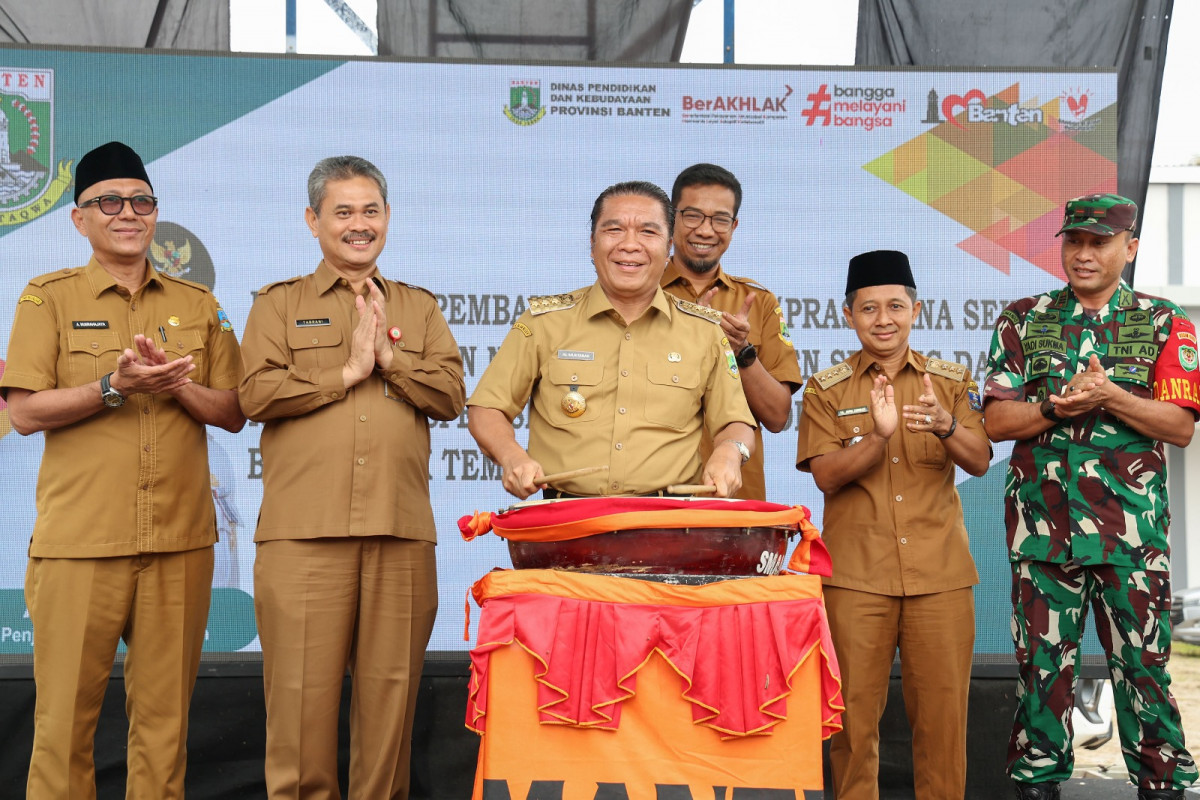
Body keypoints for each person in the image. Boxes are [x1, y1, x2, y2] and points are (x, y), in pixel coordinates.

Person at [0, 140, 245, 798]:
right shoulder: (45, 297)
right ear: (79, 218)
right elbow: (23, 412)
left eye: (141, 200)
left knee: (165, 731)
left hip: (179, 546)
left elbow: (233, 411)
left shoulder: (199, 305)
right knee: (61, 730)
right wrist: (112, 385)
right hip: (81, 544)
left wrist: (175, 389)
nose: (127, 212)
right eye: (107, 201)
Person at [239, 155, 465, 800]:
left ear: (388, 218)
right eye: (342, 212)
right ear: (313, 221)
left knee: (389, 715)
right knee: (300, 715)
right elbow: (254, 394)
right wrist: (342, 373)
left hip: (398, 534)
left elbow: (450, 395)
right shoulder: (279, 305)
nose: (358, 225)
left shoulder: (418, 309)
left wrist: (391, 361)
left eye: (371, 211)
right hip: (303, 538)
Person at [983, 194, 1199, 800]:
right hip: (1043, 531)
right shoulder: (1024, 317)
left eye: (1099, 243)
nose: (1083, 254)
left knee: (1144, 671)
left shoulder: (1163, 322)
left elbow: (1180, 426)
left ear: (1128, 249)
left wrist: (1110, 397)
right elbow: (995, 424)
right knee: (1041, 673)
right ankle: (1037, 783)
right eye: (1073, 242)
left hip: (1129, 535)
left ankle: (1163, 785)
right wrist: (1053, 407)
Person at [796, 250, 989, 799]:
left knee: (944, 726)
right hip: (856, 579)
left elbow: (978, 459)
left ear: (916, 310)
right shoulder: (826, 388)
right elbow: (827, 476)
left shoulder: (949, 382)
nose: (884, 319)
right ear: (848, 314)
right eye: (870, 308)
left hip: (941, 578)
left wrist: (947, 425)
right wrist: (877, 438)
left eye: (896, 306)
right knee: (852, 727)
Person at [468, 180, 756, 500]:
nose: (630, 245)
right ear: (592, 244)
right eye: (614, 230)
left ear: (669, 247)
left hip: (669, 525)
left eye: (648, 232)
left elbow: (736, 422)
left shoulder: (704, 330)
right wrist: (512, 457)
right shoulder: (544, 323)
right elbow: (487, 408)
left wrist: (729, 454)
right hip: (566, 523)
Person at [660, 163, 802, 500]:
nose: (706, 230)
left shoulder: (758, 302)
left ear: (734, 226)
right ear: (671, 218)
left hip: (733, 501)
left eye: (720, 219)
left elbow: (778, 416)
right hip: (652, 498)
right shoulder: (639, 295)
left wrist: (740, 351)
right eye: (693, 215)